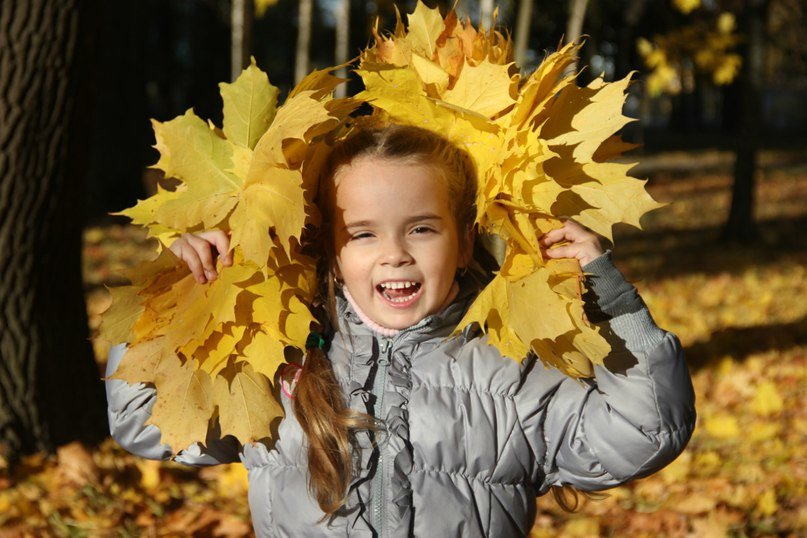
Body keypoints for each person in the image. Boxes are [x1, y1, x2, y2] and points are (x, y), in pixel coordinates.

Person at [106, 125, 696, 537]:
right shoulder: (276, 359)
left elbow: (646, 430)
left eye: (421, 229)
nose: (394, 254)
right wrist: (180, 291)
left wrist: (606, 295)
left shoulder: (513, 366)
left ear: (465, 241)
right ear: (332, 253)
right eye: (363, 233)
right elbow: (143, 421)